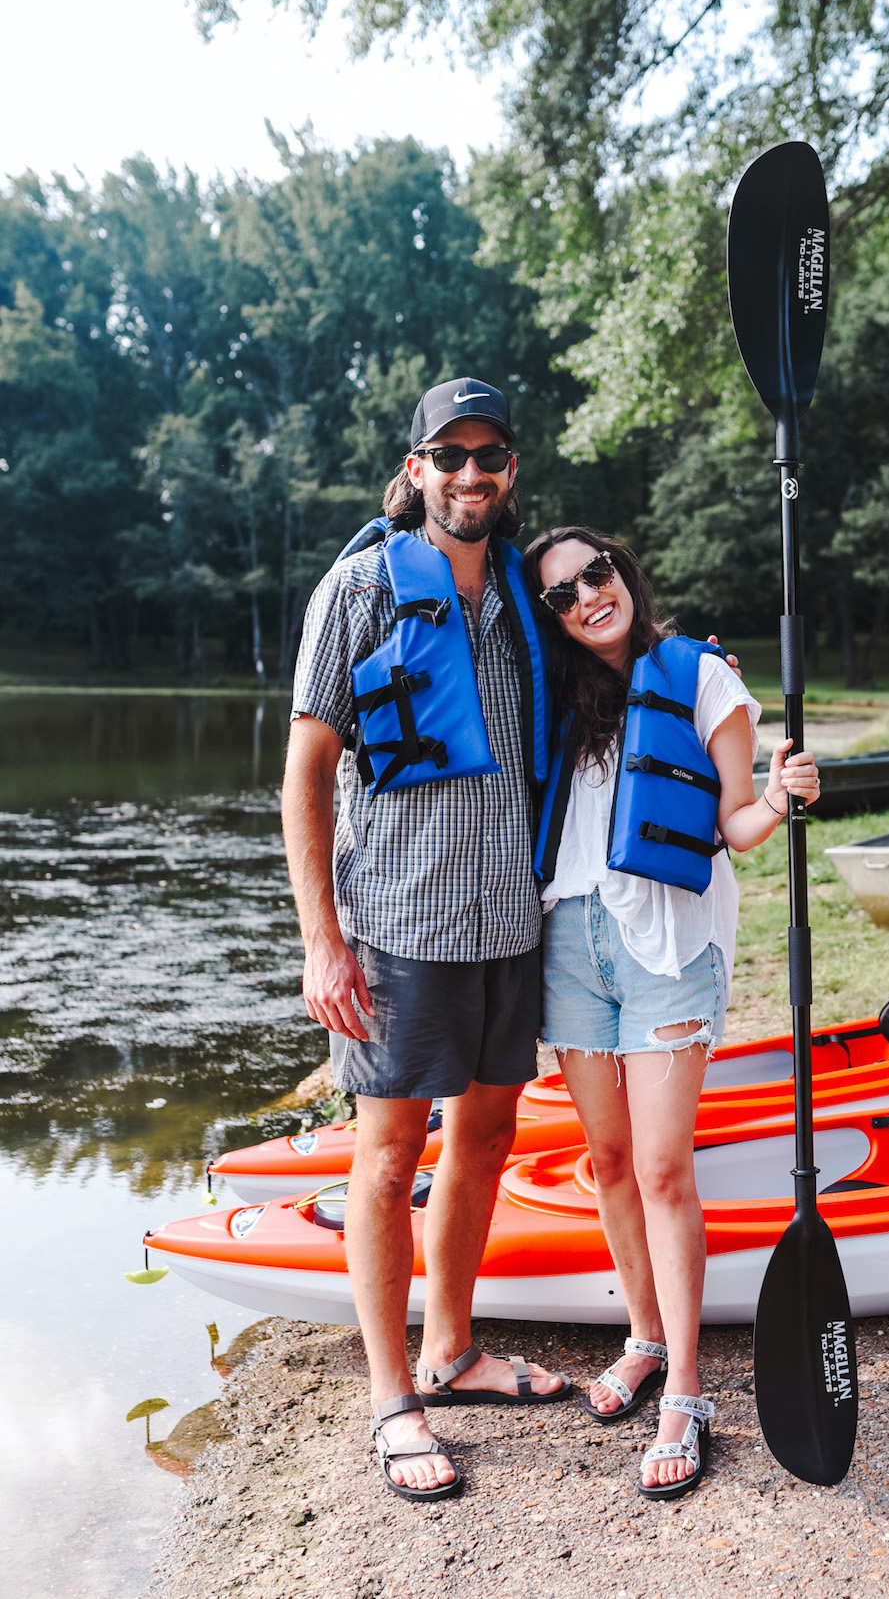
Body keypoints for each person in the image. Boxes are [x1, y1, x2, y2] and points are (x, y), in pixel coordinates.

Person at [282, 378, 569, 1504]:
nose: (468, 473)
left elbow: (615, 667)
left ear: (509, 469)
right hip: (398, 926)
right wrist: (322, 940)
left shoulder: (524, 594)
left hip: (511, 917)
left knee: (490, 1134)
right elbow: (305, 775)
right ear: (414, 470)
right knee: (390, 1153)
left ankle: (452, 1346)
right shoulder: (359, 589)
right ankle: (394, 1396)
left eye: (488, 454)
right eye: (447, 454)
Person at [524, 526, 820, 1501]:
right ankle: (645, 1334)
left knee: (660, 1164)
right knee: (606, 1159)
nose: (585, 597)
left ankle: (686, 1387)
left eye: (595, 574)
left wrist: (780, 796)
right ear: (551, 616)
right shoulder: (549, 695)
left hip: (668, 943)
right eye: (561, 593)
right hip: (571, 938)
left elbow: (734, 822)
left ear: (624, 572)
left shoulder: (702, 678)